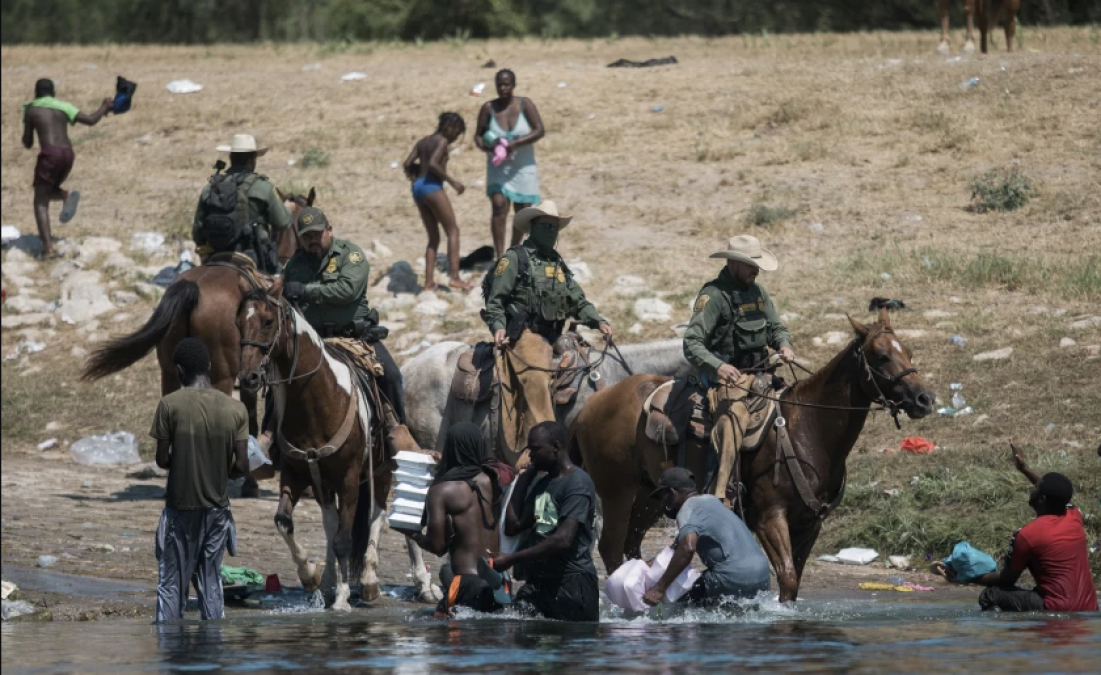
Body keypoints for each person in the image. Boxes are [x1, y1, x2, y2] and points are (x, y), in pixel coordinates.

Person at [281, 206, 419, 454]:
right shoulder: (295, 264)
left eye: (317, 233)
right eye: (306, 235)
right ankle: (272, 440)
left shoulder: (350, 255)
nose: (312, 239)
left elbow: (348, 291)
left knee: (392, 377)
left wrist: (306, 291)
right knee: (278, 381)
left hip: (354, 336)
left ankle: (397, 439)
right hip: (313, 340)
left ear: (329, 230)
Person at [483, 201, 612, 465]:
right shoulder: (514, 259)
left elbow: (578, 300)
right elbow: (496, 299)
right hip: (528, 334)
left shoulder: (557, 263)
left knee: (587, 366)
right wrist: (497, 326)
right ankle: (541, 450)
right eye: (545, 226)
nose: (551, 231)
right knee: (537, 378)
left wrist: (597, 320)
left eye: (554, 227)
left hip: (556, 333)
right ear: (532, 227)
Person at [682, 235, 796, 504]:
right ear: (733, 263)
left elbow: (775, 328)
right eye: (750, 265)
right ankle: (721, 494)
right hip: (725, 376)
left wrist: (784, 344)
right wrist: (719, 366)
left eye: (757, 264)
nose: (756, 270)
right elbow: (692, 342)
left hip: (761, 373)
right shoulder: (714, 296)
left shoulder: (758, 293)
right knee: (734, 419)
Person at [151, 338, 249, 622]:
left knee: (171, 584)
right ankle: (212, 649)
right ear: (208, 366)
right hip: (218, 512)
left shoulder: (169, 405)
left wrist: (183, 460)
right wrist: (224, 470)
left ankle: (170, 647)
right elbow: (242, 465)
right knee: (210, 581)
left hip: (180, 509)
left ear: (180, 370)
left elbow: (161, 460)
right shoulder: (235, 409)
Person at [948, 441, 1098, 613]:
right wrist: (1024, 468)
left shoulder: (1027, 536)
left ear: (1041, 499)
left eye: (1036, 488)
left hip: (1054, 608)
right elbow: (1055, 493)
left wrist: (967, 577)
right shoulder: (1073, 516)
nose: (1032, 489)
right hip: (1089, 608)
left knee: (991, 595)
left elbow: (1006, 580)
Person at [491, 421, 600, 622]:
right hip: (539, 584)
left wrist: (511, 559)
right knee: (510, 629)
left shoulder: (578, 484)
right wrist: (523, 479)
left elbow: (563, 539)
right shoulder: (543, 484)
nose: (530, 456)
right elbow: (512, 526)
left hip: (572, 585)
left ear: (556, 447)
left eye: (535, 449)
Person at [395, 422, 504, 617]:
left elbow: (438, 547)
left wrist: (414, 534)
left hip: (466, 584)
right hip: (499, 583)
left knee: (441, 634)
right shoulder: (494, 481)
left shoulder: (442, 491)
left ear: (450, 447)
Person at [643, 468, 771, 608]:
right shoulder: (712, 502)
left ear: (673, 493)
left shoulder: (687, 510)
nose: (664, 504)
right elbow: (675, 550)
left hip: (732, 578)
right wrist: (644, 566)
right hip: (762, 576)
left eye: (664, 497)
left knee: (680, 605)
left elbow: (687, 548)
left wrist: (659, 589)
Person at [21, 78, 112, 259]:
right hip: (68, 154)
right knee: (46, 191)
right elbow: (91, 120)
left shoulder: (31, 109)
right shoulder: (63, 106)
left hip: (49, 154)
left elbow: (28, 142)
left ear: (36, 93)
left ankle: (48, 249)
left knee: (40, 201)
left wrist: (28, 132)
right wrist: (104, 106)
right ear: (54, 94)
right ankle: (64, 195)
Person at [192, 134, 293, 274]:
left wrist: (205, 253)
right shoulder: (263, 187)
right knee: (281, 286)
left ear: (231, 157)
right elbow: (283, 222)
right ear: (252, 159)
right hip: (255, 257)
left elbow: (197, 231)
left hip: (215, 256)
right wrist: (288, 209)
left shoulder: (210, 188)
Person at [474, 69, 545, 257]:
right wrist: (489, 147)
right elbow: (478, 136)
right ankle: (499, 255)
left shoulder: (525, 104)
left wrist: (515, 143)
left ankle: (513, 250)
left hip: (523, 166)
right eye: (500, 84)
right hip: (499, 167)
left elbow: (539, 130)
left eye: (507, 84)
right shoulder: (488, 108)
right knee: (498, 206)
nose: (503, 88)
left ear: (514, 85)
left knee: (522, 211)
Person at [403, 112, 472, 292]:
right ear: (448, 127)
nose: (455, 136)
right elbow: (434, 163)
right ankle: (455, 278)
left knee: (433, 238)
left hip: (418, 187)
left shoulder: (423, 141)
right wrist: (452, 181)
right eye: (456, 132)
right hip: (432, 187)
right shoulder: (441, 141)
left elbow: (407, 162)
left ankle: (428, 283)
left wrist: (413, 177)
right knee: (453, 230)